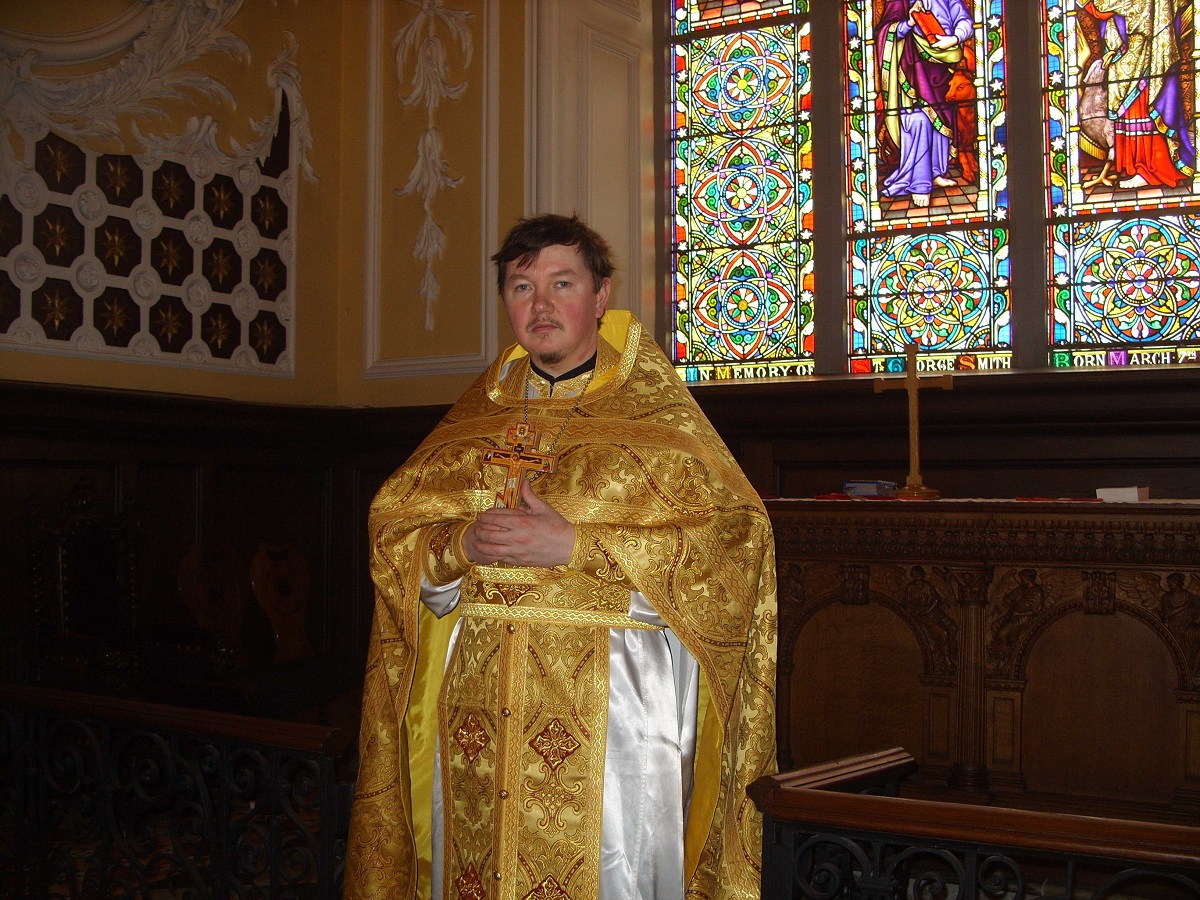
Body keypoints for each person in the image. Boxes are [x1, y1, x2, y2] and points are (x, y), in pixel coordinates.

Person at [343, 213, 777, 900]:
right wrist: (459, 545)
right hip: (476, 709)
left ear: (600, 297)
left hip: (617, 715)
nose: (540, 305)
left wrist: (579, 547)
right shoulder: (473, 422)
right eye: (522, 287)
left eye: (561, 283)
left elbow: (731, 552)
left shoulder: (660, 423)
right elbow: (395, 536)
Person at [1077, 0, 1194, 189]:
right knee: (1130, 108)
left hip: (1144, 54)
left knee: (1141, 107)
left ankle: (1148, 168)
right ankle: (1133, 166)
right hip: (1130, 51)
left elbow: (1103, 9)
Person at [876, 0, 975, 207]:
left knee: (941, 121)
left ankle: (936, 172)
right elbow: (886, 32)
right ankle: (919, 183)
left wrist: (954, 38)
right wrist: (909, 23)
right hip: (912, 68)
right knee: (918, 120)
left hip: (942, 66)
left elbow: (963, 20)